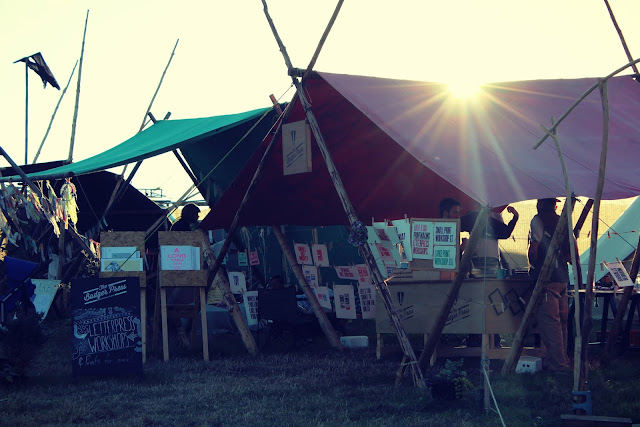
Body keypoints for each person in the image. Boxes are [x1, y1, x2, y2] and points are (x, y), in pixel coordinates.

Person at [528, 198, 571, 371]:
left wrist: (533, 263)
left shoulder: (538, 220)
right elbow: (571, 253)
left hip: (547, 278)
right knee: (562, 324)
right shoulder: (563, 221)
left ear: (539, 204)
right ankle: (563, 359)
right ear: (555, 205)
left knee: (551, 324)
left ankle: (558, 365)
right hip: (562, 278)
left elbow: (534, 249)